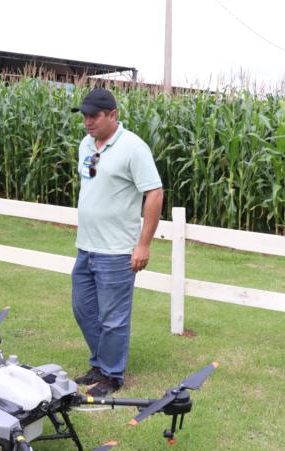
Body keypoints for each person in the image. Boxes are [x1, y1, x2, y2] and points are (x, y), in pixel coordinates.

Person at [70, 87, 164, 397]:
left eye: (93, 116)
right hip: (86, 246)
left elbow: (154, 193)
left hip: (117, 251)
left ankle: (111, 375)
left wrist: (144, 244)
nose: (87, 122)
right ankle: (100, 364)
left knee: (113, 318)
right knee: (83, 310)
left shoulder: (134, 148)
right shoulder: (86, 144)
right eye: (84, 116)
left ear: (113, 115)